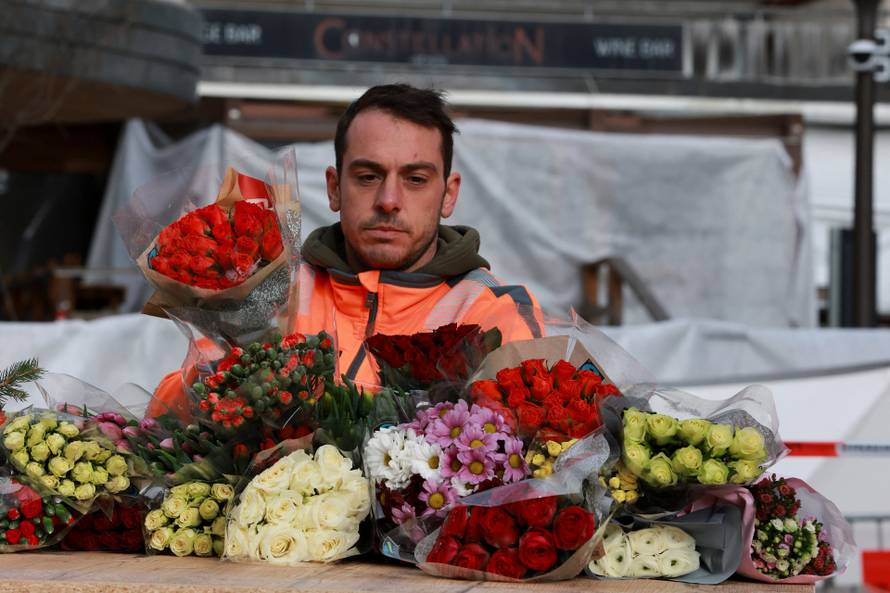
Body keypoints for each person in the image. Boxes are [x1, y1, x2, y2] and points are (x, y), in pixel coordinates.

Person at [151, 83, 542, 411]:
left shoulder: (493, 310)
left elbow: (536, 452)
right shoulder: (271, 288)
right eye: (368, 176)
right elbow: (164, 414)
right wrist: (229, 377)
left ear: (448, 194)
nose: (389, 199)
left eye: (416, 179)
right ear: (335, 188)